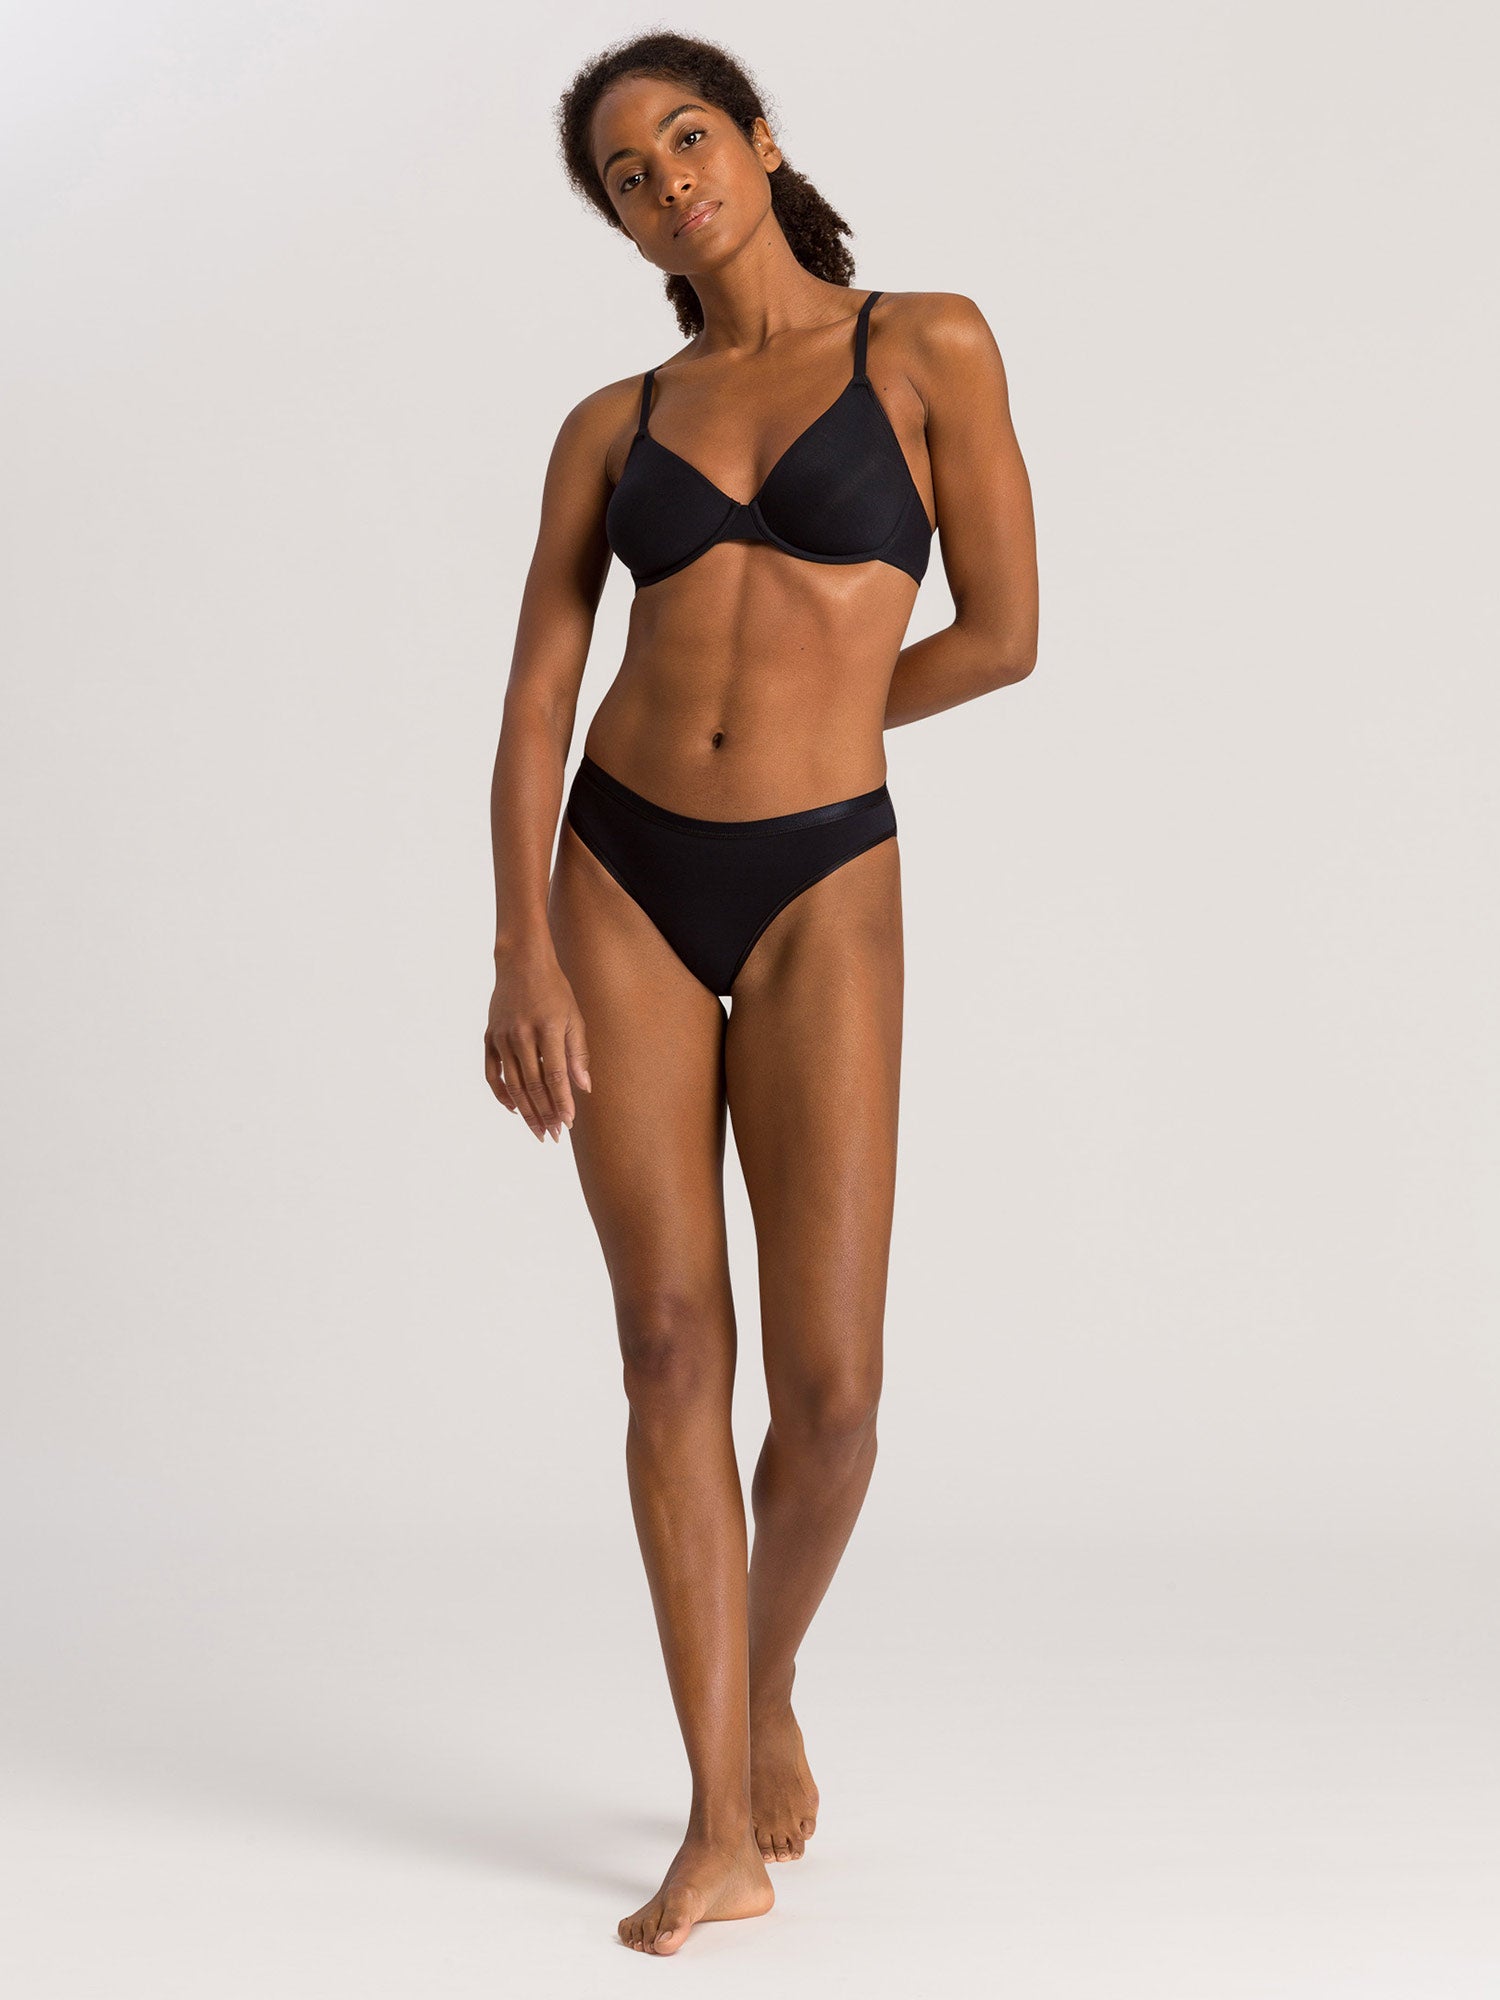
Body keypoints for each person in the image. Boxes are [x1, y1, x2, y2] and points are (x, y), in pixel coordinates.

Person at [484, 30, 1038, 1957]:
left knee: (836, 1401)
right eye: (628, 177)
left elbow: (1004, 635)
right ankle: (716, 1826)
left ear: (760, 139)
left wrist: (823, 726)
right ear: (621, 220)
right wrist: (520, 945)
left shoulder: (928, 345)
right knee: (666, 1350)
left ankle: (763, 1677)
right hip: (619, 873)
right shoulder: (610, 425)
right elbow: (538, 699)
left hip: (822, 878)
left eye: (688, 138)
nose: (669, 184)